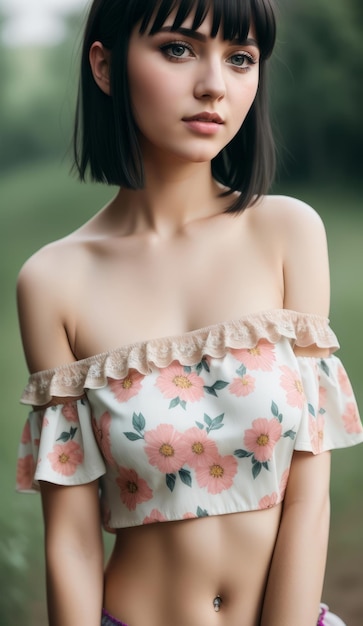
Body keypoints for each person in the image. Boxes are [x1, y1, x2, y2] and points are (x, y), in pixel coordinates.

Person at [16, 1, 363, 625]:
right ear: (104, 65)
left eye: (240, 58)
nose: (214, 85)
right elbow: (69, 535)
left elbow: (310, 490)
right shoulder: (53, 281)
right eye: (178, 49)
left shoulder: (287, 233)